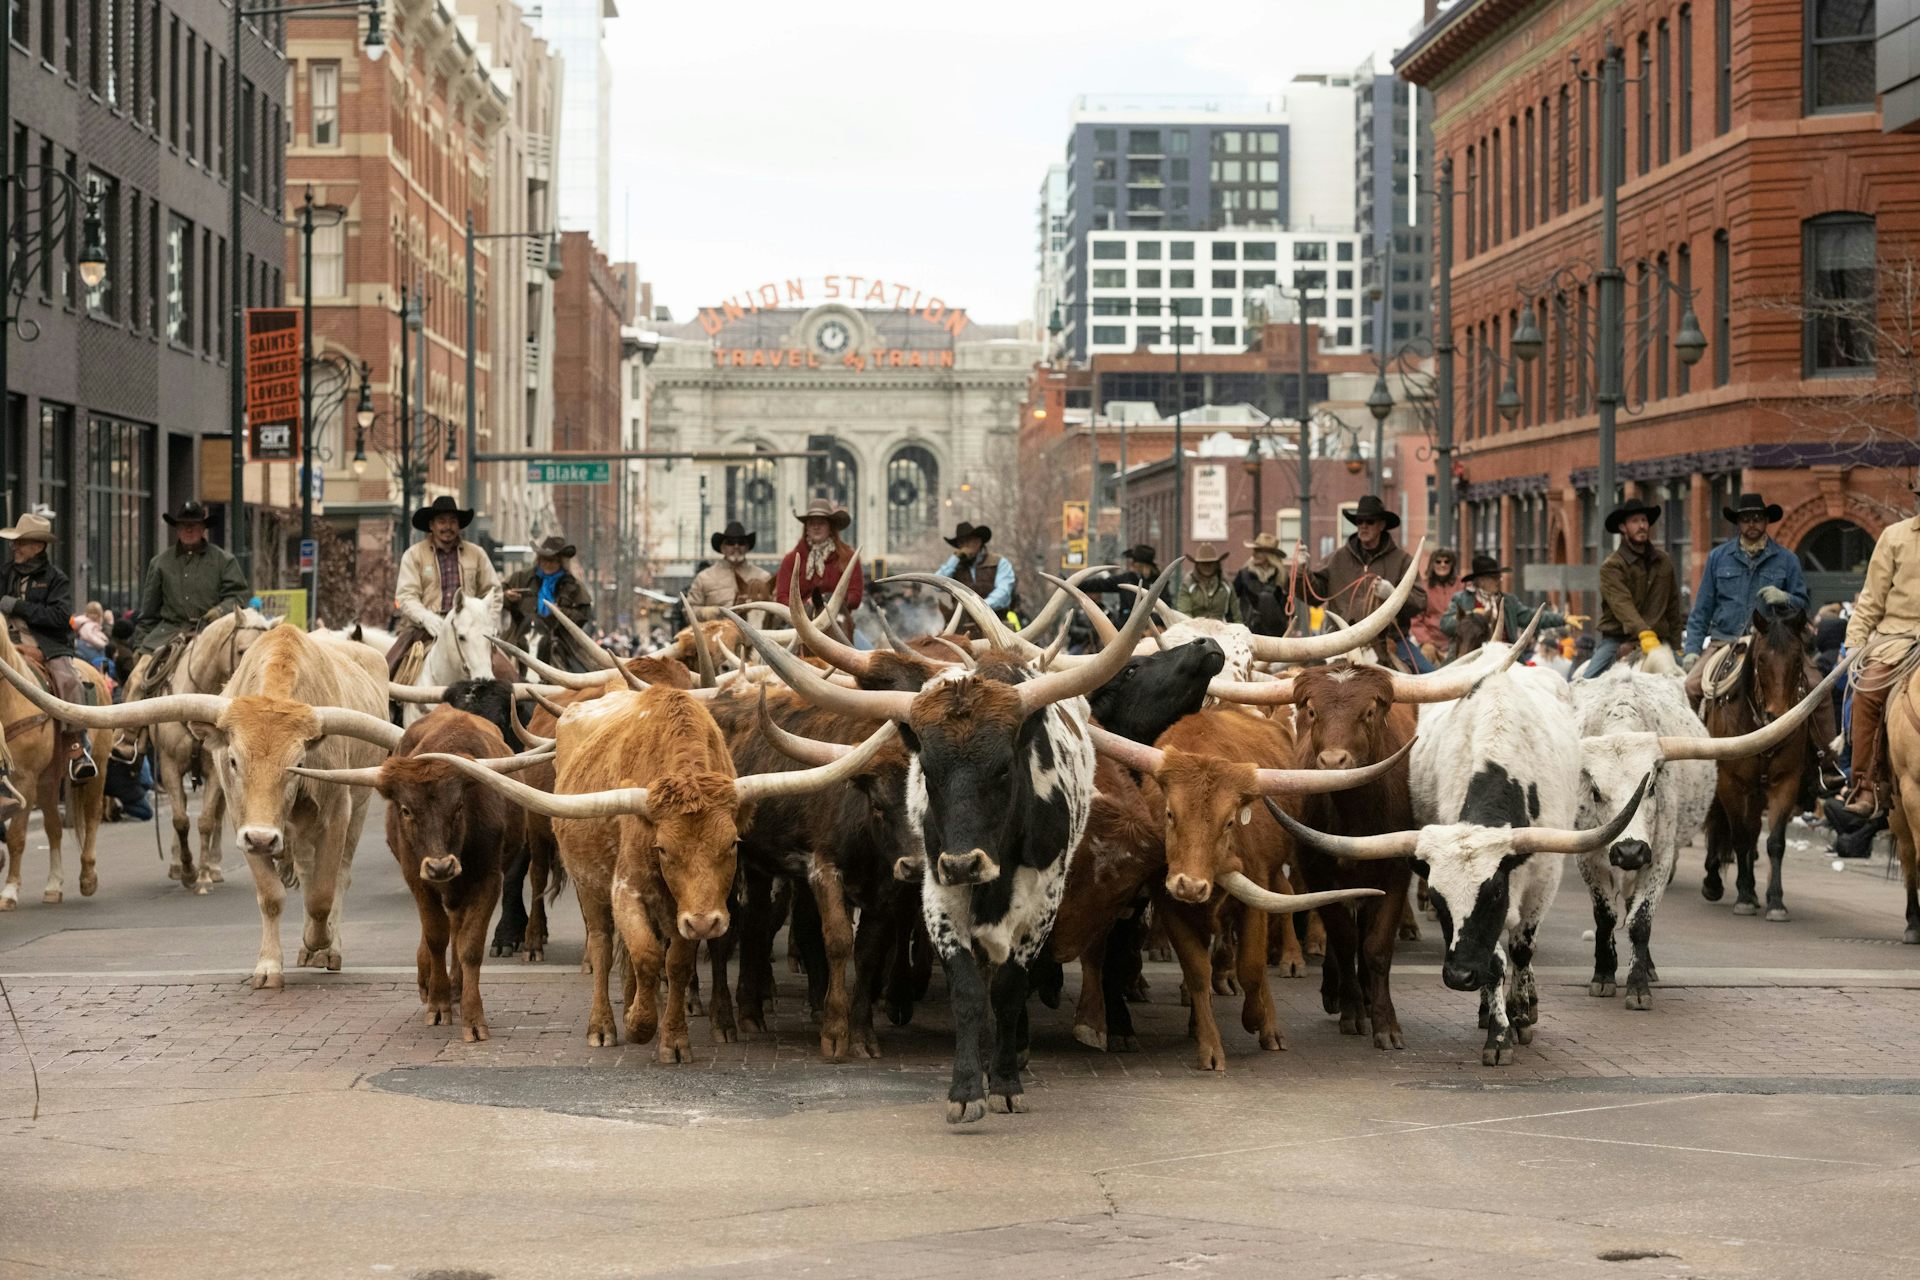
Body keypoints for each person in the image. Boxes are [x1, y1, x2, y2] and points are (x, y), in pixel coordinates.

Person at [1683, 492, 1840, 790]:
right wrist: (1692, 650)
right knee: (1690, 688)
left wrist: (1786, 598)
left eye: (1757, 517)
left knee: (1817, 683)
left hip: (1774, 643)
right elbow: (1701, 608)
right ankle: (1691, 766)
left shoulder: (1787, 559)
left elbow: (1803, 604)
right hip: (1726, 641)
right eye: (1746, 518)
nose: (1752, 523)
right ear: (1738, 523)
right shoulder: (1718, 558)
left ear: (1766, 521)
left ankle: (1827, 761)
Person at [119, 500, 250, 754]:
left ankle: (248, 734)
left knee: (241, 675)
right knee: (137, 678)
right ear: (176, 529)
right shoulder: (160, 563)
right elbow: (149, 612)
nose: (189, 530)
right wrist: (141, 644)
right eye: (183, 526)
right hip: (170, 632)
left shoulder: (224, 561)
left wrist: (219, 612)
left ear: (203, 528)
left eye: (194, 525)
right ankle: (128, 739)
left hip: (211, 634)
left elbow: (239, 597)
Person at [1834, 497, 1920, 817]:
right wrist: (1855, 640)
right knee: (1867, 692)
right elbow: (1871, 598)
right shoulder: (1894, 536)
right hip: (1897, 638)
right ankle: (1866, 785)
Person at [0, 512, 99, 780]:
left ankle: (76, 747)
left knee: (68, 681)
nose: (15, 547)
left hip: (45, 644)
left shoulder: (57, 579)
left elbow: (58, 617)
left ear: (39, 546)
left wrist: (18, 606)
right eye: (15, 543)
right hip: (6, 640)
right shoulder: (5, 573)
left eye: (22, 542)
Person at [1312, 495, 1428, 671]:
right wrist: (1300, 572)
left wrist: (1393, 594)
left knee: (1429, 677)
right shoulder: (1336, 559)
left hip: (1390, 641)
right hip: (1340, 643)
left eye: (1370, 521)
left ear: (1382, 525)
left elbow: (1420, 602)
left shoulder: (1402, 561)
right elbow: (1314, 595)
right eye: (1359, 521)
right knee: (1303, 679)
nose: (1363, 526)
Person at [389, 495, 500, 677]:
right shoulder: (414, 555)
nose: (447, 527)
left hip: (470, 629)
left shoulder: (477, 554)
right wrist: (424, 617)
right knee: (390, 667)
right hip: (423, 630)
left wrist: (486, 622)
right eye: (441, 521)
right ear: (431, 525)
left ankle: (519, 704)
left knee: (508, 674)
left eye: (452, 521)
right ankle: (388, 702)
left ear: (459, 525)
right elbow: (406, 595)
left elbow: (493, 592)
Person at [1584, 498, 1685, 678]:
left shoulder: (1664, 561)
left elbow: (1673, 607)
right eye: (1635, 521)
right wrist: (1643, 633)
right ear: (1623, 527)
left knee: (1689, 687)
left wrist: (1677, 646)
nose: (1642, 526)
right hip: (1618, 639)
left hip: (1660, 641)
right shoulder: (1612, 566)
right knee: (1585, 683)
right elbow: (1622, 605)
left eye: (1644, 520)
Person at [501, 536, 595, 672]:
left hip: (559, 640)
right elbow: (497, 597)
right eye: (545, 559)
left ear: (561, 562)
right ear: (539, 559)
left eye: (554, 561)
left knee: (582, 674)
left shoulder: (573, 585)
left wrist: (561, 612)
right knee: (497, 669)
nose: (548, 564)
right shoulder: (521, 578)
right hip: (519, 636)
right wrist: (508, 597)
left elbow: (584, 613)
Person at [773, 499, 863, 633]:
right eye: (811, 523)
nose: (816, 527)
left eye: (821, 522)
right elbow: (782, 597)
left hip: (839, 621)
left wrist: (832, 601)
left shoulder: (848, 557)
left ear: (830, 527)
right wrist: (803, 608)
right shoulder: (791, 559)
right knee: (773, 651)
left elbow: (855, 596)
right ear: (806, 528)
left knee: (868, 651)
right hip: (800, 623)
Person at [1441, 554, 1565, 646]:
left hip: (1504, 654)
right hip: (1471, 655)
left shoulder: (1509, 601)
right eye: (1494, 577)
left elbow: (1531, 616)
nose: (1499, 580)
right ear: (1481, 580)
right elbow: (1446, 625)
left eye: (1499, 577)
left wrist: (1562, 618)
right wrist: (1471, 616)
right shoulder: (1461, 599)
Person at [935, 521, 1017, 623]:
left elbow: (1003, 593)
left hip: (996, 622)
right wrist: (955, 558)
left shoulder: (1000, 562)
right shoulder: (954, 566)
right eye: (961, 543)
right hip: (962, 628)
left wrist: (979, 606)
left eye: (968, 541)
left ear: (978, 541)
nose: (964, 547)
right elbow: (936, 585)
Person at [686, 521, 773, 610]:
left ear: (747, 547)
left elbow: (775, 613)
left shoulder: (763, 577)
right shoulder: (704, 578)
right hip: (717, 623)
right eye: (730, 542)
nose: (736, 546)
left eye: (741, 542)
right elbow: (690, 611)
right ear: (722, 548)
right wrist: (721, 611)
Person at [1410, 546, 1463, 665]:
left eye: (1447, 561)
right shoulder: (1423, 587)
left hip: (1457, 643)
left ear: (1452, 564)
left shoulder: (1462, 585)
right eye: (1438, 561)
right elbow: (1416, 621)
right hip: (1430, 642)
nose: (1442, 564)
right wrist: (1426, 642)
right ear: (1432, 564)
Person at [1232, 532, 1291, 635]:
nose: (1254, 554)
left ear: (1269, 555)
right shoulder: (1243, 575)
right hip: (1248, 633)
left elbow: (1289, 609)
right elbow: (1231, 601)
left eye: (1258, 551)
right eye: (1254, 550)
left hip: (1275, 635)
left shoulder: (1282, 577)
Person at [1176, 543, 1239, 621]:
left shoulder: (1226, 584)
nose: (1207, 566)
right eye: (1203, 563)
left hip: (1222, 629)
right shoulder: (1187, 584)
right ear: (1197, 565)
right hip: (1193, 628)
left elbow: (1236, 615)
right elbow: (1184, 613)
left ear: (1217, 564)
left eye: (1211, 563)